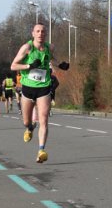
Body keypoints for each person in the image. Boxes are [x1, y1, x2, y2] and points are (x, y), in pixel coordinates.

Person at [11, 23, 69, 163]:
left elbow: (51, 58)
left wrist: (60, 64)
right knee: (26, 121)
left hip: (43, 87)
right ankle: (30, 128)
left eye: (43, 31)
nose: (40, 34)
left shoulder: (50, 47)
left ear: (46, 33)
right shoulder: (27, 48)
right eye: (37, 31)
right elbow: (13, 66)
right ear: (33, 33)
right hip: (28, 88)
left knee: (43, 119)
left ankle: (41, 150)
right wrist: (29, 66)